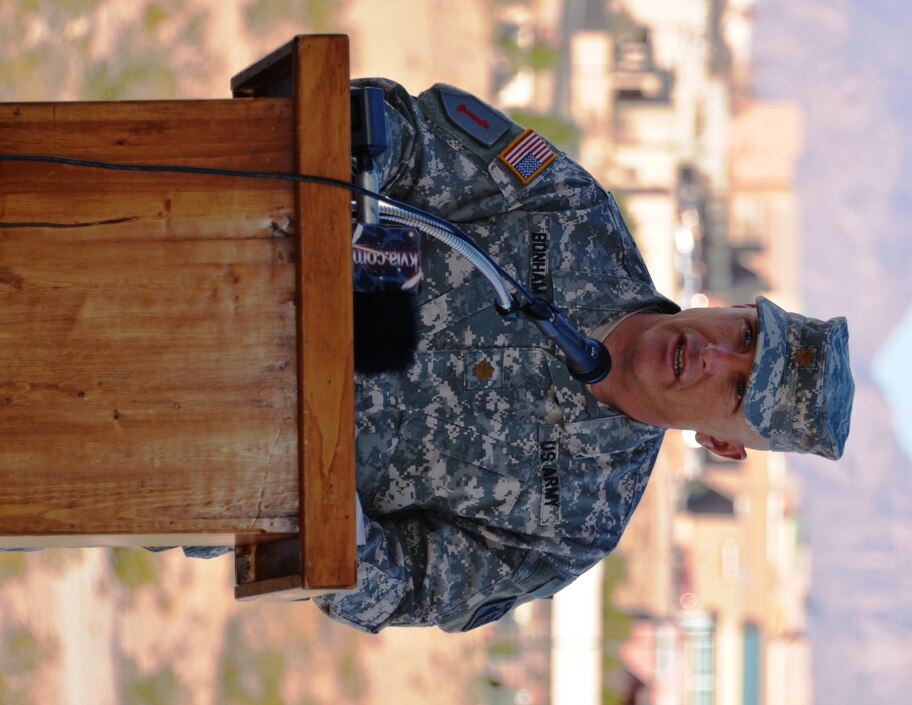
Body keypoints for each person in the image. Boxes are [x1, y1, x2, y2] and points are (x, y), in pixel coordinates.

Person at [302, 79, 855, 633]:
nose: (712, 355)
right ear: (734, 306)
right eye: (745, 336)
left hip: (258, 458)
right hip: (256, 252)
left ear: (721, 444)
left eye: (736, 390)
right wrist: (359, 163)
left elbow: (406, 586)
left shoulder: (573, 527)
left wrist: (314, 482)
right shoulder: (575, 216)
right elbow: (410, 138)